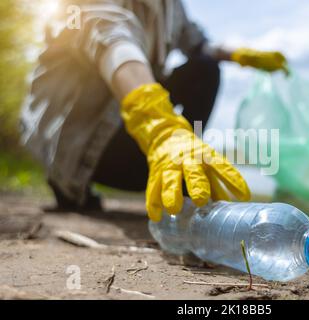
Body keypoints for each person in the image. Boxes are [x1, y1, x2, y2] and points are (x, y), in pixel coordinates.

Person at [20, 0, 288, 222]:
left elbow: (197, 44)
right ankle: (70, 186)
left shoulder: (171, 7)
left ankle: (183, 164)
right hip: (78, 149)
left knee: (204, 68)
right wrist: (156, 119)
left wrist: (241, 56)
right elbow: (110, 36)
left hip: (125, 139)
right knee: (197, 71)